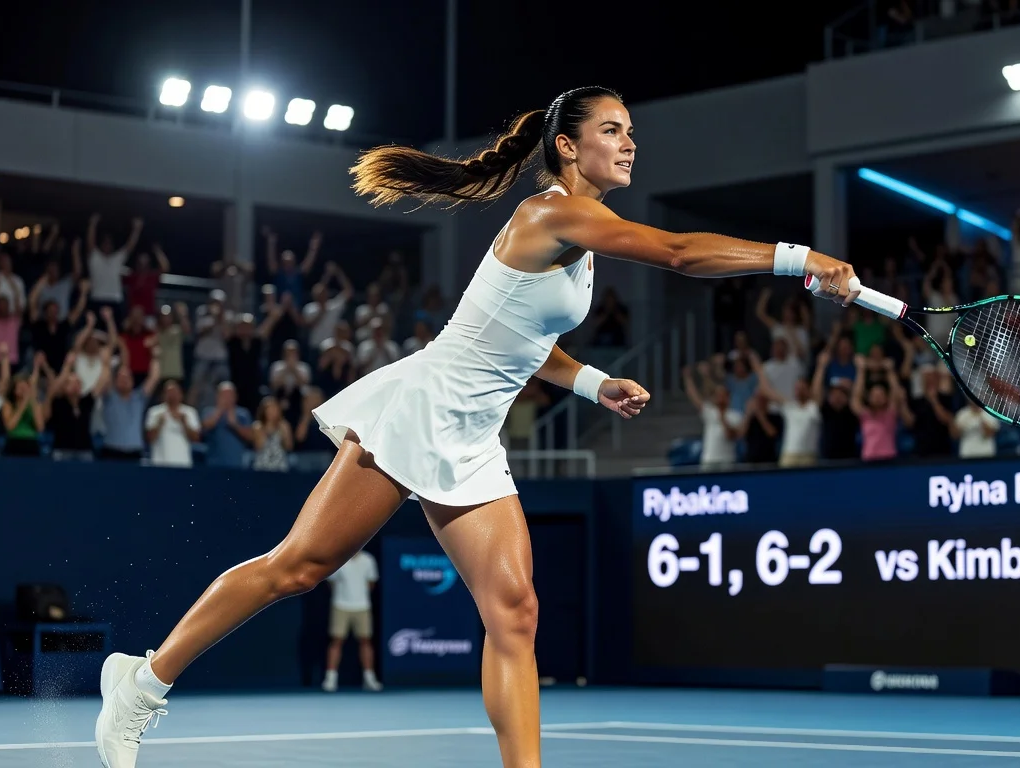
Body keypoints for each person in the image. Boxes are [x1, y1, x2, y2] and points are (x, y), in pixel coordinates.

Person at [93, 85, 859, 768]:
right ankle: (141, 682)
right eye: (614, 130)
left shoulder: (581, 226)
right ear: (568, 145)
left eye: (631, 132)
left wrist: (591, 382)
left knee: (515, 610)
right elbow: (680, 253)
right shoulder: (553, 213)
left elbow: (523, 339)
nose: (630, 143)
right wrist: (802, 259)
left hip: (473, 437)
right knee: (297, 567)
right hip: (423, 409)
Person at [322, 548, 381, 693]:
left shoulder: (368, 560)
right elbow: (331, 582)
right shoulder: (339, 559)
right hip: (340, 605)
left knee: (366, 641)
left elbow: (371, 583)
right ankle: (331, 679)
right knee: (336, 641)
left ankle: (369, 678)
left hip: (362, 606)